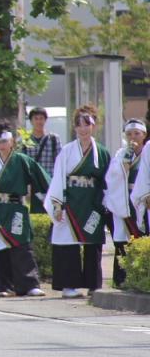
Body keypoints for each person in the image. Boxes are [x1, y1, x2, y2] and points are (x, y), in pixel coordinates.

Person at [44, 105, 111, 298]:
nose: (83, 129)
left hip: (92, 203)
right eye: (79, 125)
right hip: (71, 202)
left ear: (94, 126)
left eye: (87, 124)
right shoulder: (66, 151)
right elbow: (58, 179)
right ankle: (68, 285)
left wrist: (105, 203)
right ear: (74, 128)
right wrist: (57, 204)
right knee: (67, 243)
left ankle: (93, 284)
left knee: (93, 243)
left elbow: (108, 181)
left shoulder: (102, 153)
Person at [0, 122, 49, 298]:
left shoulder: (21, 160)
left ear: (12, 142)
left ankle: (29, 284)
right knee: (0, 248)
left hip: (16, 208)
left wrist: (48, 198)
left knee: (22, 246)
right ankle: (4, 285)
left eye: (5, 141)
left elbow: (40, 178)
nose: (2, 145)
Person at [105, 119, 147, 287]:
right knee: (124, 239)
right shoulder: (121, 154)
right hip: (125, 199)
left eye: (137, 133)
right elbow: (111, 178)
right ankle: (122, 279)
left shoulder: (148, 153)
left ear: (144, 135)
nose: (133, 137)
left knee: (143, 236)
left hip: (144, 200)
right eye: (129, 134)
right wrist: (122, 168)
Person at [21, 107, 61, 214]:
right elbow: (22, 164)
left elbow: (59, 162)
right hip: (33, 184)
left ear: (45, 120)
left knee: (50, 212)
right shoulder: (25, 140)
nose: (39, 121)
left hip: (49, 182)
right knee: (34, 212)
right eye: (36, 118)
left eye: (41, 118)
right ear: (31, 121)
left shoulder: (53, 139)